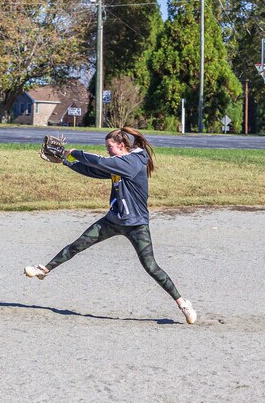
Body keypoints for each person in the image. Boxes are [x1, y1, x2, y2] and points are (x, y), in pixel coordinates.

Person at [24, 127, 197, 324]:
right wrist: (66, 162)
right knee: (78, 244)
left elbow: (99, 161)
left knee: (151, 266)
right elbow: (93, 170)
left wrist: (70, 153)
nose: (107, 150)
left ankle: (183, 303)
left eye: (110, 147)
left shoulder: (132, 162)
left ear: (122, 146)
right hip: (113, 220)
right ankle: (44, 270)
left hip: (136, 225)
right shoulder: (119, 164)